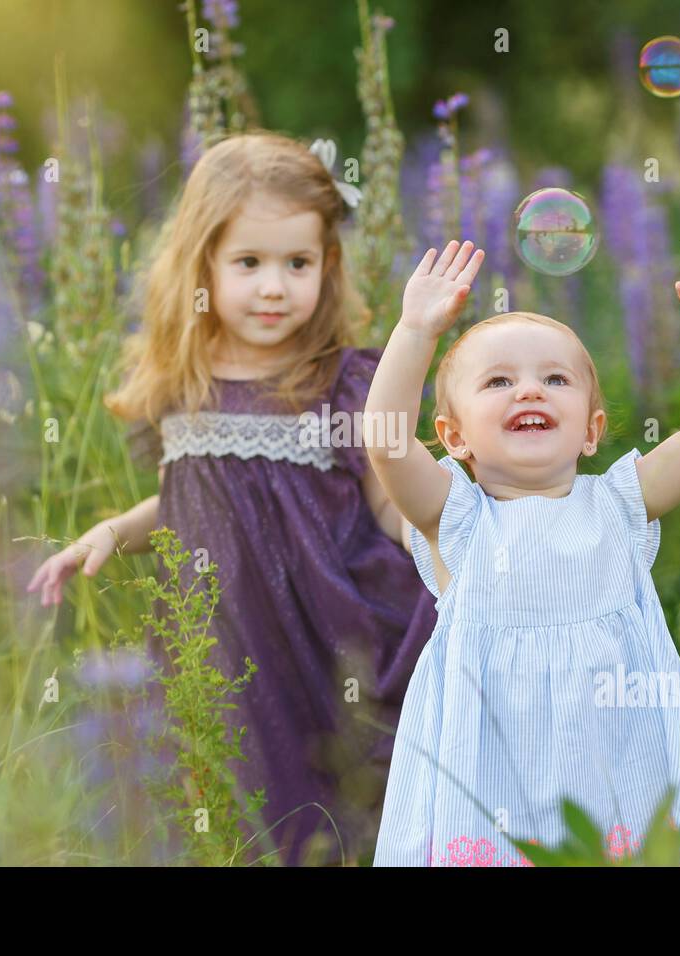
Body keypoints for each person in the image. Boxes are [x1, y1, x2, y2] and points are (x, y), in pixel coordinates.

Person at [27, 131, 438, 866]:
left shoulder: (340, 380)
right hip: (221, 629)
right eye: (249, 263)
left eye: (297, 263)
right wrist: (111, 533)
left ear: (328, 265)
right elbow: (183, 493)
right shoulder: (184, 380)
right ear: (202, 265)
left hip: (321, 622)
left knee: (341, 781)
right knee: (238, 783)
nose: (274, 286)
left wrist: (442, 545)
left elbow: (387, 498)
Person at [367, 234, 680, 866]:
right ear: (453, 436)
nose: (530, 391)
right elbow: (385, 444)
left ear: (592, 430)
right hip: (490, 778)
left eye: (555, 378)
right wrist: (414, 330)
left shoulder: (621, 506)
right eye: (499, 381)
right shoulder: (457, 520)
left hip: (609, 766)